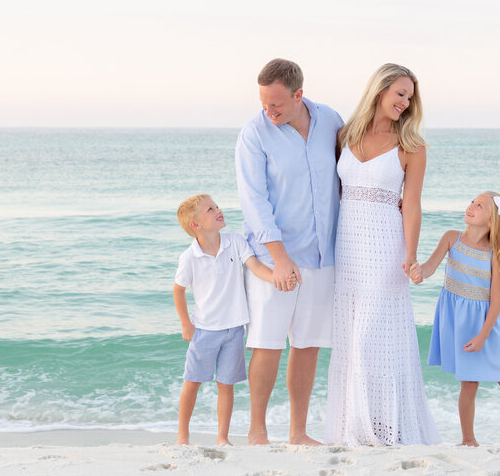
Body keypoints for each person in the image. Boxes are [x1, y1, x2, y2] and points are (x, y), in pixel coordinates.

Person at [325, 63, 440, 445]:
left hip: (386, 249)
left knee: (373, 338)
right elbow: (336, 195)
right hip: (349, 247)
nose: (405, 103)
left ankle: (387, 428)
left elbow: (412, 205)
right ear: (380, 90)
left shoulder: (412, 146)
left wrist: (412, 255)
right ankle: (355, 427)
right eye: (400, 94)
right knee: (350, 336)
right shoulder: (344, 135)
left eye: (410, 98)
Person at [236, 58, 344, 445]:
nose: (270, 111)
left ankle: (298, 432)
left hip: (322, 255)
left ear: (299, 95)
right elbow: (254, 200)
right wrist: (279, 258)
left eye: (277, 104)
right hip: (274, 256)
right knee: (267, 343)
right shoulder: (254, 134)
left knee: (307, 344)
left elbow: (349, 170)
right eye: (264, 103)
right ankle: (256, 431)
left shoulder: (330, 120)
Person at [411, 191, 500, 446]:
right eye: (472, 201)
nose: (471, 206)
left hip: (488, 325)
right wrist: (418, 271)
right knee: (468, 383)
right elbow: (430, 267)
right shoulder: (451, 239)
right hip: (461, 321)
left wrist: (482, 336)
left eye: (479, 206)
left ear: (491, 221)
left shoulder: (495, 254)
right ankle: (468, 439)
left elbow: (496, 302)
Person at [172, 194, 275, 445]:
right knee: (193, 382)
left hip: (234, 329)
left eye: (216, 206)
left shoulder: (235, 242)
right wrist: (186, 323)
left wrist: (276, 278)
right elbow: (178, 289)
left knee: (226, 385)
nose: (219, 210)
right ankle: (182, 435)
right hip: (205, 330)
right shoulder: (189, 257)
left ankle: (222, 437)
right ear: (195, 225)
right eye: (210, 209)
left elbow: (254, 266)